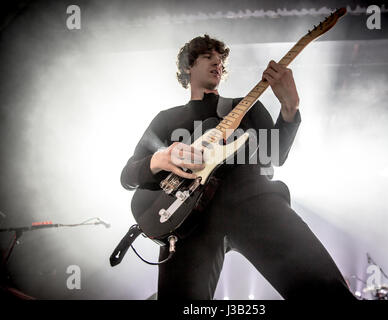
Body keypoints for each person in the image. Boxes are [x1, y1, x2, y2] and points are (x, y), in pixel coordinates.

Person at [121, 34, 355, 300]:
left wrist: (290, 107)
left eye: (220, 60)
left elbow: (275, 154)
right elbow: (128, 175)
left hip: (254, 202)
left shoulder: (245, 107)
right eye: (208, 57)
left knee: (326, 291)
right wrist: (162, 158)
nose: (217, 63)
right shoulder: (166, 119)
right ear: (188, 66)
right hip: (187, 219)